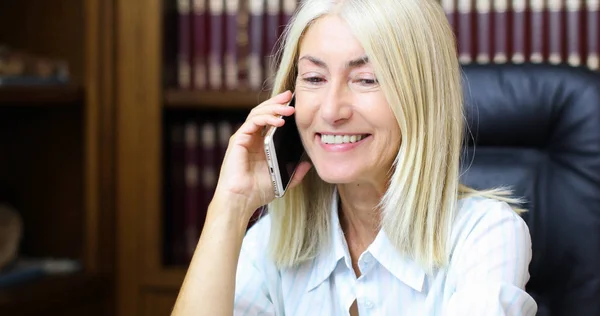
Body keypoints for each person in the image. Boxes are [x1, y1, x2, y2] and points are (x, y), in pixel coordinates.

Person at [171, 0, 538, 314]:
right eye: (314, 78)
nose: (331, 110)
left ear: (419, 98)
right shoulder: (270, 242)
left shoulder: (487, 235)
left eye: (366, 79)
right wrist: (231, 206)